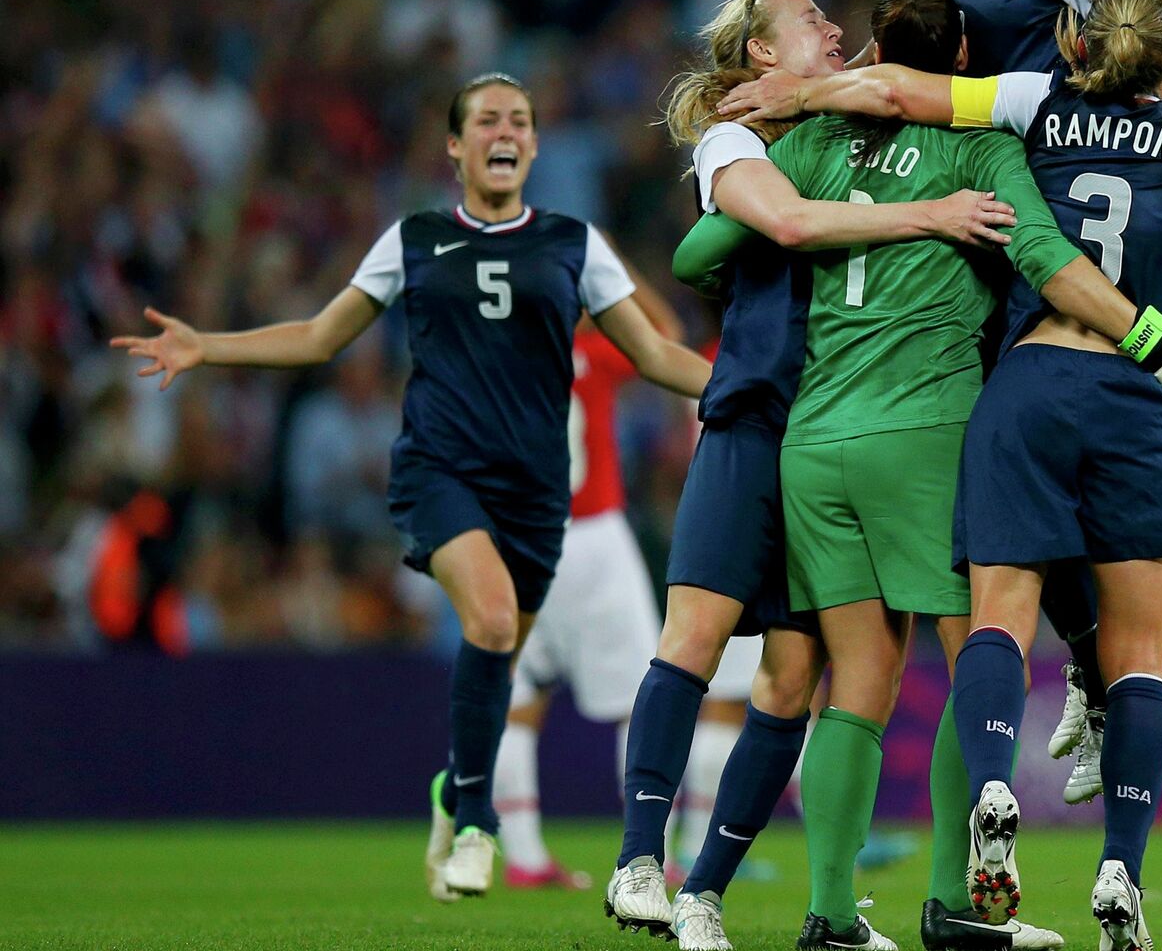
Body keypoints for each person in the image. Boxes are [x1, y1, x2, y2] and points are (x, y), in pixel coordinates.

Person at [676, 0, 1162, 951]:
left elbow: (701, 249)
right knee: (990, 640)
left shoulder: (799, 148)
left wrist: (769, 179)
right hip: (933, 430)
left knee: (854, 678)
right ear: (965, 55)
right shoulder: (996, 140)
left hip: (816, 440)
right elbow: (1048, 245)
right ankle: (961, 894)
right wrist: (1151, 319)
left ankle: (822, 907)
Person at [113, 73, 714, 900]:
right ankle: (476, 824)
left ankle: (454, 789)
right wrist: (207, 348)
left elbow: (653, 354)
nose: (505, 131)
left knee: (499, 660)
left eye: (520, 121)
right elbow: (321, 335)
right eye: (487, 120)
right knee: (495, 622)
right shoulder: (417, 239)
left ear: (533, 146)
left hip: (539, 491)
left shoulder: (575, 245)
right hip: (441, 471)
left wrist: (743, 389)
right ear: (455, 147)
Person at [606, 0, 1025, 951]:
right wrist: (937, 214)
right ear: (759, 53)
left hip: (816, 431)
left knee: (798, 678)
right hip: (757, 417)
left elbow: (705, 249)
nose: (836, 33)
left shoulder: (828, 131)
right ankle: (639, 857)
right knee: (698, 634)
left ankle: (707, 888)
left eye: (846, 30)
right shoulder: (736, 138)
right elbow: (772, 227)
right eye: (812, 24)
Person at [909, 0, 1137, 804]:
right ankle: (1087, 673)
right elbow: (901, 81)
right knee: (1006, 490)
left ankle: (1100, 677)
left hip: (1051, 234)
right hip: (965, 239)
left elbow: (1139, 66)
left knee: (1046, 475)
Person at [494, 308, 670, 891]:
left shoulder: (498, 359)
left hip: (520, 535)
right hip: (593, 533)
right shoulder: (592, 350)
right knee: (641, 700)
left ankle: (522, 856)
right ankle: (647, 852)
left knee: (517, 697)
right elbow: (662, 335)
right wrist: (613, 277)